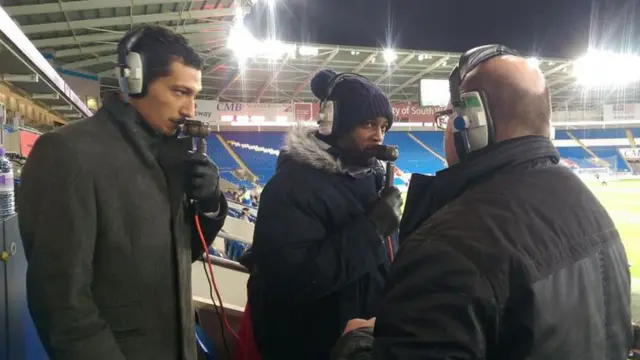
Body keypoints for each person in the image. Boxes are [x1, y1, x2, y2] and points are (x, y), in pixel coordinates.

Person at [331, 45, 631, 360]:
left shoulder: (447, 248)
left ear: (470, 122)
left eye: (448, 116)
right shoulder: (592, 209)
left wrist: (360, 343)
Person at [18, 25, 227, 360]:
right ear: (135, 81)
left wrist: (210, 203)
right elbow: (60, 301)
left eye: (194, 94)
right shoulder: (66, 153)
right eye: (179, 92)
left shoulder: (171, 154)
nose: (190, 109)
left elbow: (178, 255)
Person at [240, 69, 403, 360]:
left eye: (384, 126)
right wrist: (372, 229)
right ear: (333, 124)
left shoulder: (373, 179)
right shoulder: (290, 188)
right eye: (368, 124)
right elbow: (294, 280)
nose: (379, 136)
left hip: (360, 346)